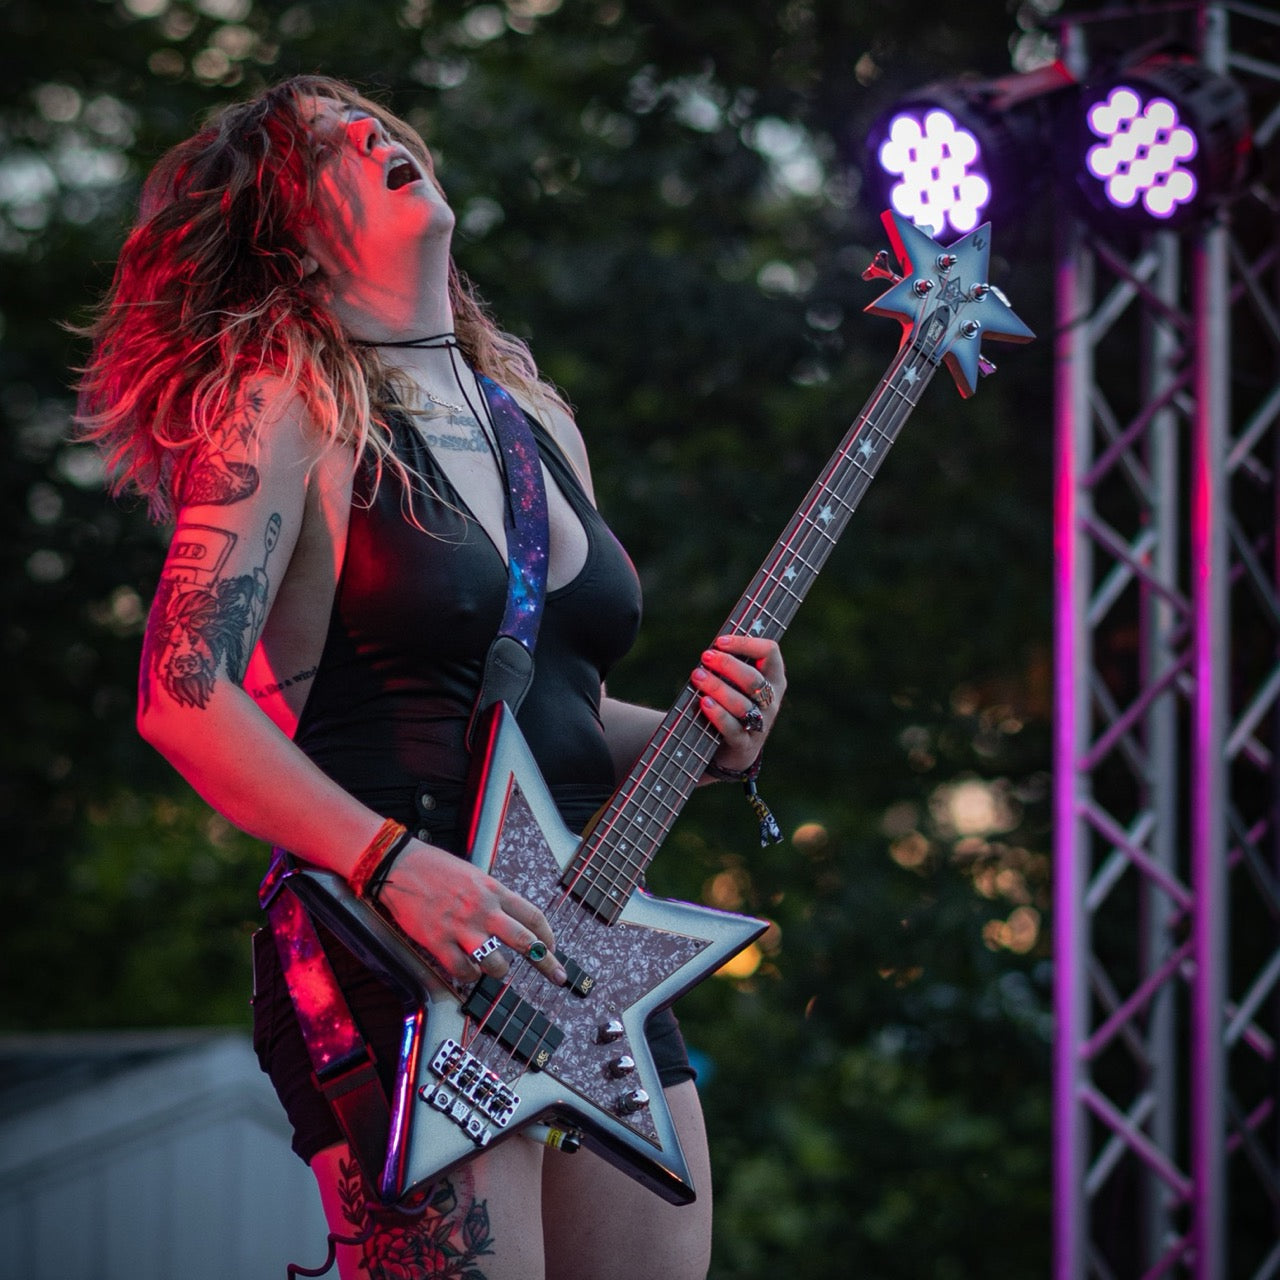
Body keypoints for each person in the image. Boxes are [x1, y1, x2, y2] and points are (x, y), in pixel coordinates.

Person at [76, 75, 786, 1280]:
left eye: (380, 126)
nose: (376, 136)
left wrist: (704, 733)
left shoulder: (539, 422)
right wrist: (390, 862)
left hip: (576, 952)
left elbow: (547, 709)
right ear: (288, 241)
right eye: (329, 148)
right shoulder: (284, 402)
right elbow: (180, 692)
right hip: (388, 939)